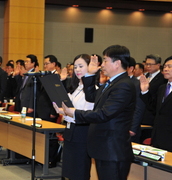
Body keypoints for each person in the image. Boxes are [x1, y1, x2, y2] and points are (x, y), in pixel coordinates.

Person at [54, 45, 136, 180]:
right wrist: (90, 75)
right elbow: (91, 97)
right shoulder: (112, 83)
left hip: (112, 149)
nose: (102, 65)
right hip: (104, 147)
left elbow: (104, 114)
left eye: (105, 60)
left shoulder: (124, 85)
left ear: (117, 63)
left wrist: (74, 113)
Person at [62, 54, 94, 180]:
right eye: (75, 67)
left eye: (81, 66)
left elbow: (88, 113)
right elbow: (70, 110)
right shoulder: (76, 88)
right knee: (69, 171)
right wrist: (62, 111)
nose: (77, 70)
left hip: (82, 132)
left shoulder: (92, 90)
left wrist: (70, 112)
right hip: (70, 131)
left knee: (79, 171)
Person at [140, 56, 172, 151]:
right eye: (165, 66)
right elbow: (154, 108)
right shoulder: (162, 88)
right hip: (158, 136)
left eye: (169, 67)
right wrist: (145, 92)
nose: (166, 69)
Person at [127, 57, 145, 143]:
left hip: (129, 127)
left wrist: (133, 128)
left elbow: (139, 107)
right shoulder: (114, 82)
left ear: (131, 68)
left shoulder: (137, 84)